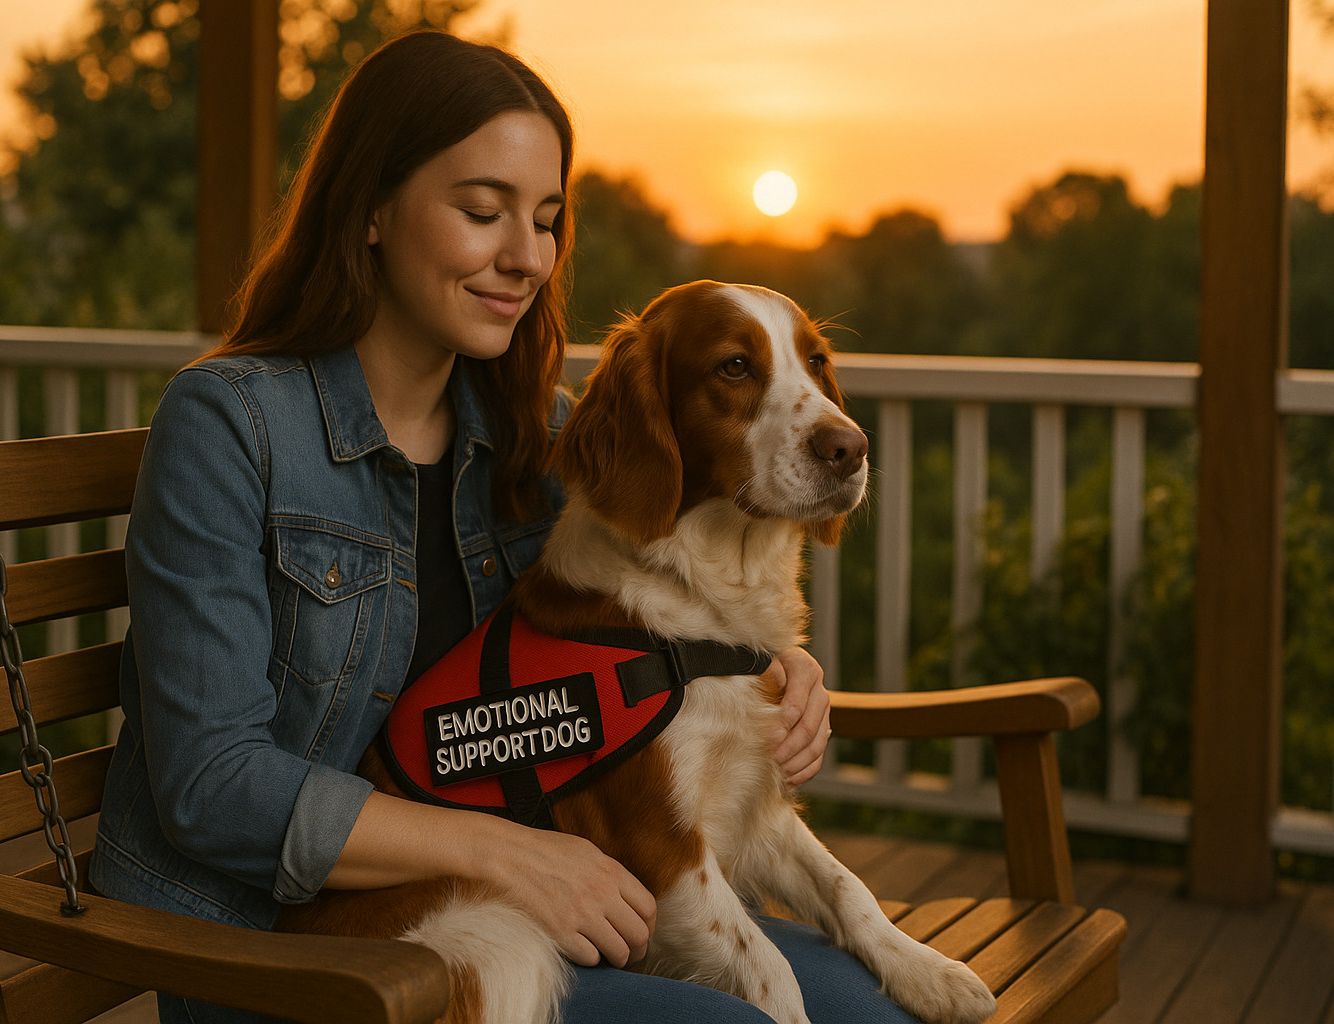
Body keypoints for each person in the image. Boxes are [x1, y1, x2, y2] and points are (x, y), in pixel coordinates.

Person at [90, 29, 917, 1024]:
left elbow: (654, 643)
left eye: (547, 218)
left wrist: (779, 677)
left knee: (879, 1016)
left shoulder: (539, 437)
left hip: (543, 904)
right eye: (483, 211)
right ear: (372, 211)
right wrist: (507, 853)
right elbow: (211, 784)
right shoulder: (231, 424)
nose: (525, 257)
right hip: (280, 950)